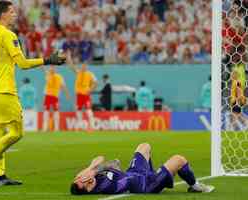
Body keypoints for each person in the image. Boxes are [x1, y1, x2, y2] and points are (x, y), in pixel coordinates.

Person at [0, 1, 66, 186]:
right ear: (3, 14)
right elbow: (22, 64)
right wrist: (47, 60)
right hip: (5, 91)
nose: (15, 14)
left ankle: (1, 176)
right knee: (17, 132)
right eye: (12, 11)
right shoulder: (7, 34)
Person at [70, 143, 215, 195]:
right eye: (82, 181)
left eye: (78, 178)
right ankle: (194, 186)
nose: (81, 178)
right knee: (179, 159)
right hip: (146, 185)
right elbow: (109, 166)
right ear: (87, 188)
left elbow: (101, 158)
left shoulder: (89, 177)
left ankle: (156, 173)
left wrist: (90, 169)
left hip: (135, 173)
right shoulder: (102, 187)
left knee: (144, 146)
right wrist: (95, 171)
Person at [67, 53, 97, 131]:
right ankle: (80, 127)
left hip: (85, 95)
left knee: (88, 111)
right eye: (82, 65)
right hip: (79, 95)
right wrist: (69, 58)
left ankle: (92, 127)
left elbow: (96, 83)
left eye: (85, 65)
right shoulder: (79, 72)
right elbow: (71, 67)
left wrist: (90, 90)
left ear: (87, 66)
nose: (83, 67)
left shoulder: (90, 74)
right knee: (79, 112)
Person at [42, 65, 70, 132]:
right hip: (48, 95)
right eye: (50, 68)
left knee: (56, 111)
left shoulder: (59, 77)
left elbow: (63, 86)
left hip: (55, 96)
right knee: (46, 111)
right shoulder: (48, 75)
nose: (51, 69)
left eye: (53, 68)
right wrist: (40, 61)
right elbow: (43, 68)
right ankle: (44, 128)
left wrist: (67, 94)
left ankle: (56, 128)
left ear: (55, 69)